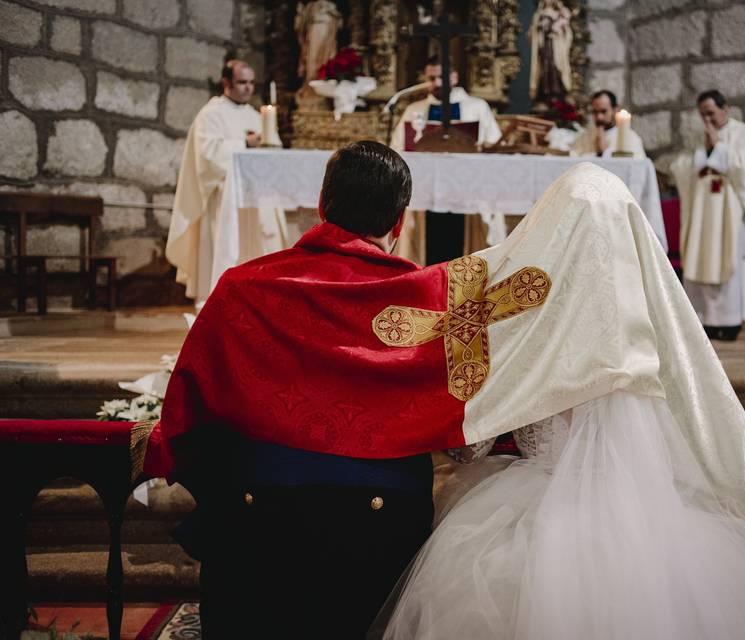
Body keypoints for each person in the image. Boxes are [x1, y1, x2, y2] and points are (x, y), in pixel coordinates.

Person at [376, 163, 745, 640]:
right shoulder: (653, 325)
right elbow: (696, 418)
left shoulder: (521, 314)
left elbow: (475, 441)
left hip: (531, 508)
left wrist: (457, 446)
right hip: (650, 515)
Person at [145, 142, 436, 638]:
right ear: (400, 221)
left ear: (322, 204)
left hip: (260, 518)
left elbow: (188, 410)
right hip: (382, 526)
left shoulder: (242, 287)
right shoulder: (428, 297)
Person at [166, 60, 287, 306]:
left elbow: (273, 154)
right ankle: (219, 299)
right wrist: (244, 144)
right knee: (227, 250)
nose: (248, 88)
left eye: (252, 83)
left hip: (256, 199)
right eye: (242, 82)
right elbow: (207, 156)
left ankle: (258, 298)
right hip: (224, 199)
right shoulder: (211, 114)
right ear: (226, 83)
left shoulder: (257, 116)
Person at [671, 89, 745, 341]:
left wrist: (719, 149)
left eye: (711, 114)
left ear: (726, 109)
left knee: (729, 261)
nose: (707, 121)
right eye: (702, 115)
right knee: (700, 258)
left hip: (730, 214)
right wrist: (699, 158)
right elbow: (679, 166)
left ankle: (730, 321)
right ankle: (703, 320)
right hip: (702, 213)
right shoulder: (697, 137)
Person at [390, 57, 502, 266]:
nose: (437, 83)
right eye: (432, 78)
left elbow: (493, 145)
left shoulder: (477, 107)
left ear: (455, 77)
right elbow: (397, 149)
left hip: (468, 187)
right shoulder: (414, 109)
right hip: (425, 189)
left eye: (442, 77)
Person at [570, 89, 646, 159]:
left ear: (615, 109)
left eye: (603, 111)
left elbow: (637, 165)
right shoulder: (586, 136)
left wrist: (604, 152)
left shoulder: (631, 137)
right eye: (595, 112)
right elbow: (572, 155)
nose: (599, 117)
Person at [530, 0, 573, 102]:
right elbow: (534, 32)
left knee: (555, 66)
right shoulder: (539, 13)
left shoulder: (561, 12)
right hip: (545, 46)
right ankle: (545, 91)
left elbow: (566, 32)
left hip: (556, 46)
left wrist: (557, 29)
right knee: (544, 68)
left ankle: (556, 91)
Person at [295, 0, 342, 86]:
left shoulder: (330, 7)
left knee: (327, 56)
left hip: (327, 25)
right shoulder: (312, 7)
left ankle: (323, 81)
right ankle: (312, 82)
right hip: (315, 25)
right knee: (313, 57)